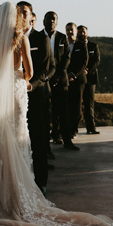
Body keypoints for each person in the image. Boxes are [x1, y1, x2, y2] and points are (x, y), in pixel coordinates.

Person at [0, 1, 113, 226]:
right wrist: (16, 75)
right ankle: (17, 196)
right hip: (15, 91)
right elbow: (29, 72)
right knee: (18, 138)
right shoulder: (19, 37)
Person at [17, 1, 54, 193]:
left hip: (37, 96)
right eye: (18, 12)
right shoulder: (12, 38)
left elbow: (47, 69)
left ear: (32, 16)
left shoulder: (41, 39)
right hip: (15, 97)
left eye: (25, 12)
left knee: (38, 139)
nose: (22, 16)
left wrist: (31, 85)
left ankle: (41, 182)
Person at [43, 12, 71, 146]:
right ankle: (47, 142)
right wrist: (47, 77)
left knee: (63, 111)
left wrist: (57, 76)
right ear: (44, 21)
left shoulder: (62, 38)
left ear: (57, 22)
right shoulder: (37, 37)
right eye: (49, 19)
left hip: (61, 80)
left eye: (54, 19)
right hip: (43, 80)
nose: (52, 21)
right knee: (46, 112)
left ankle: (67, 140)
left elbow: (66, 58)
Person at [66, 22, 88, 141]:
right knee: (66, 105)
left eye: (71, 30)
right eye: (68, 30)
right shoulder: (63, 44)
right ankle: (65, 130)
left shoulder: (81, 45)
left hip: (78, 80)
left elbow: (84, 63)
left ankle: (74, 129)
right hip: (65, 79)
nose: (70, 32)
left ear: (76, 31)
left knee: (77, 106)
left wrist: (73, 74)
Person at [81, 25, 101, 135]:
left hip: (91, 79)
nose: (82, 34)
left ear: (87, 33)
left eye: (84, 32)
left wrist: (88, 70)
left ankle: (91, 128)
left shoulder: (94, 46)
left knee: (89, 104)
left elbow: (97, 60)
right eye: (80, 32)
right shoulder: (75, 46)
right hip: (78, 79)